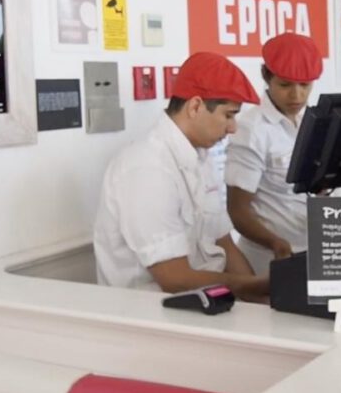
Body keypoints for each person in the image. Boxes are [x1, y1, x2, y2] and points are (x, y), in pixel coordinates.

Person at [94, 52, 268, 301]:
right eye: (228, 115)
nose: (233, 128)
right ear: (195, 106)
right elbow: (174, 278)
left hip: (207, 303)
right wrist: (254, 286)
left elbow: (224, 243)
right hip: (153, 317)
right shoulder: (146, 168)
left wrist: (261, 302)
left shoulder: (201, 154)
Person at [224, 33, 323, 275]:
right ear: (266, 77)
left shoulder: (310, 119)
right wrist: (275, 243)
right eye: (285, 85)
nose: (297, 96)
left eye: (305, 85)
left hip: (313, 250)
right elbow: (237, 211)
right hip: (269, 259)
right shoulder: (251, 129)